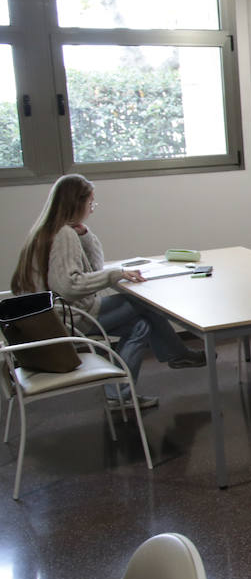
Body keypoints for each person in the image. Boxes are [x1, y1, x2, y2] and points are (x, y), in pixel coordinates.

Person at [10, 174, 206, 411]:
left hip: (50, 319)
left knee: (141, 325)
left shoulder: (46, 230)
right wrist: (115, 274)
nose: (92, 209)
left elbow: (94, 268)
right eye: (90, 203)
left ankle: (120, 396)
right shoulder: (63, 235)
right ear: (76, 202)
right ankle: (178, 353)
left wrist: (86, 236)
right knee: (143, 303)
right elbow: (68, 286)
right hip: (68, 320)